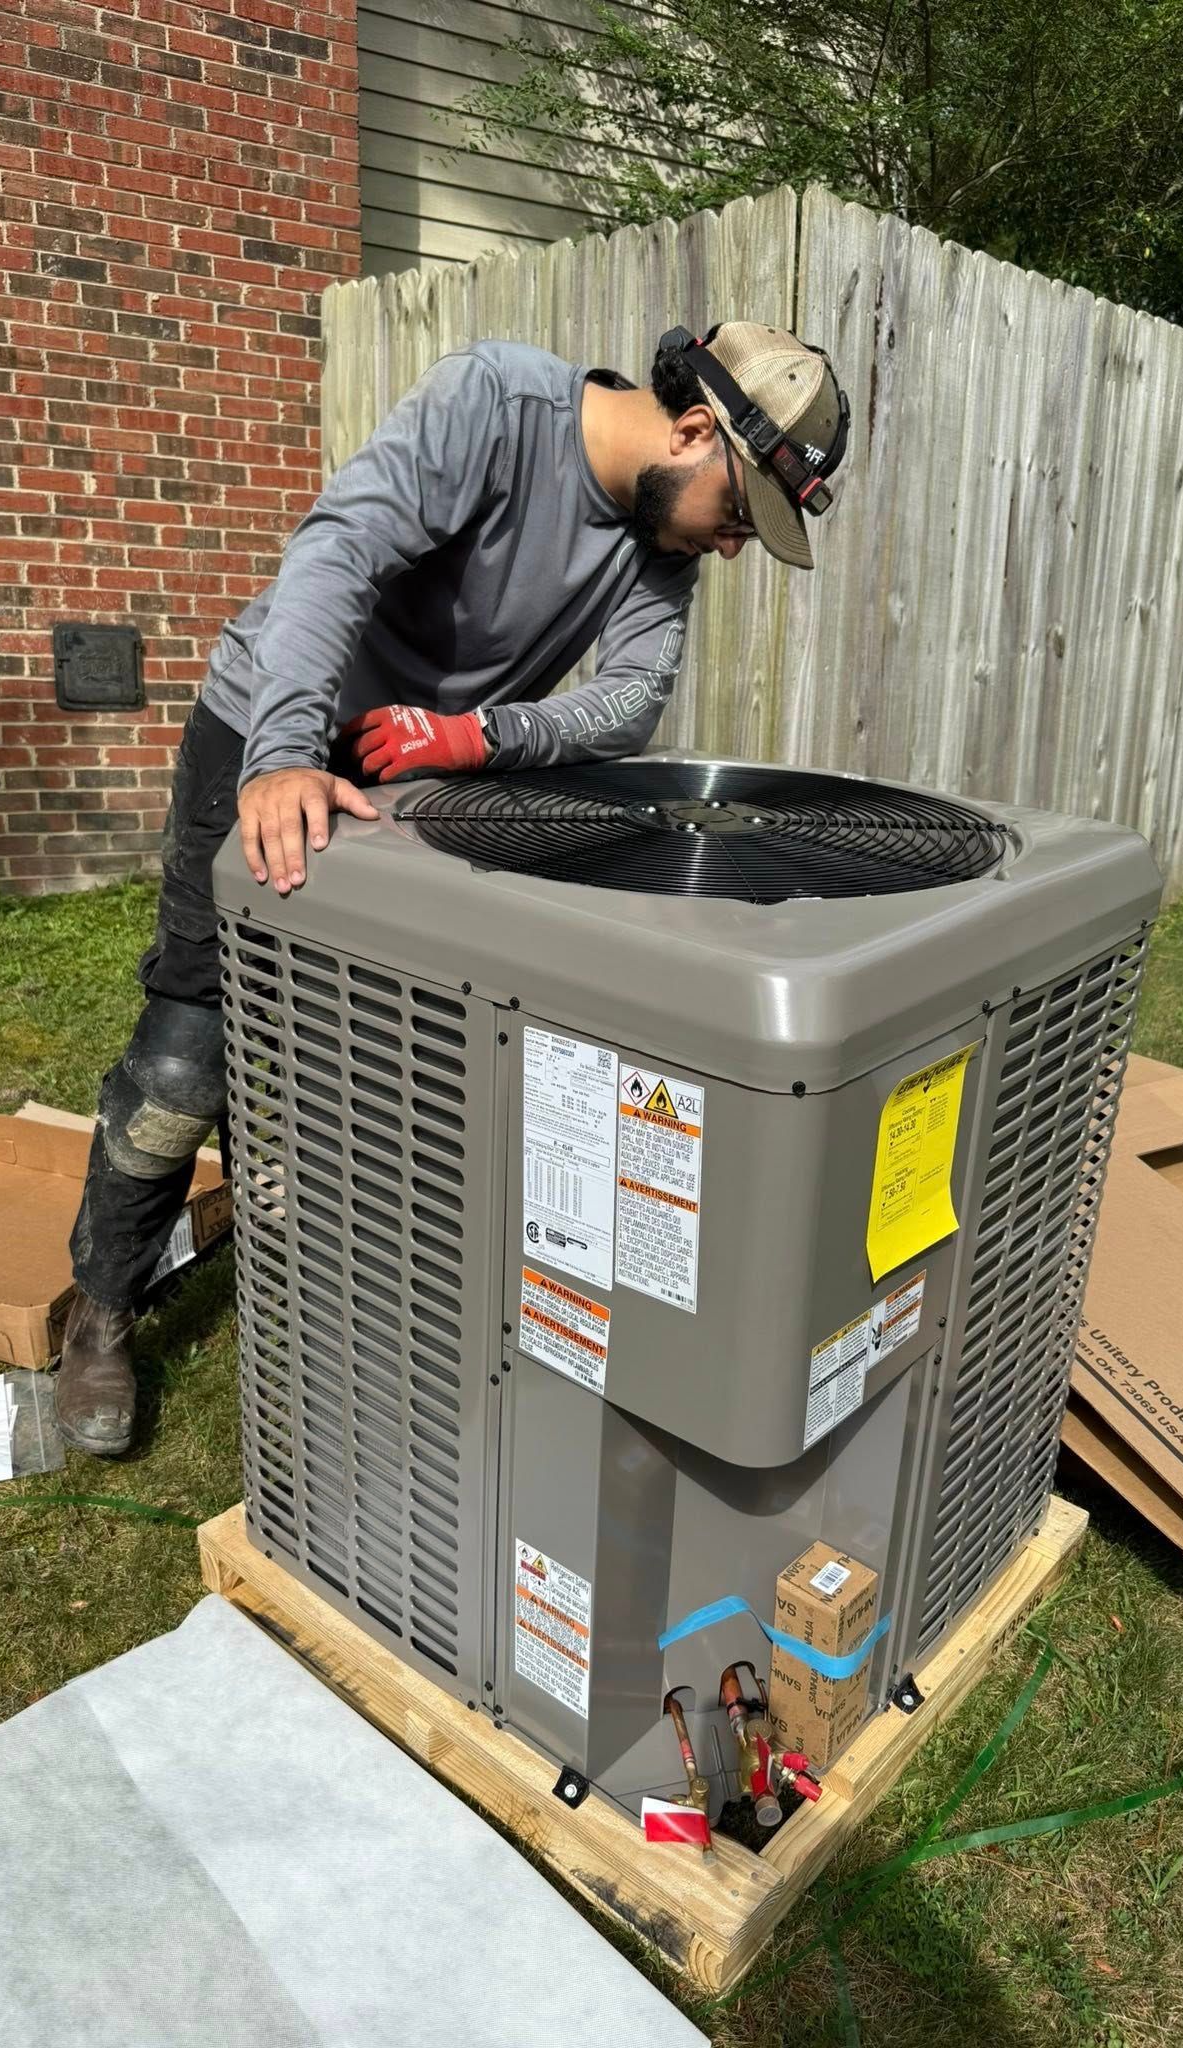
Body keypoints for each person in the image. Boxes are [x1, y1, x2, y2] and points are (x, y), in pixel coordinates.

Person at [57, 319, 852, 1455]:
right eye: (738, 514)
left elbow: (628, 701)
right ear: (693, 428)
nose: (730, 546)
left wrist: (473, 734)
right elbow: (337, 552)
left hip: (414, 774)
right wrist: (283, 753)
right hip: (266, 723)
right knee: (190, 1052)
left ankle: (357, 1300)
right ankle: (100, 1309)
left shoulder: (658, 549)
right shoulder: (492, 404)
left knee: (396, 1052)